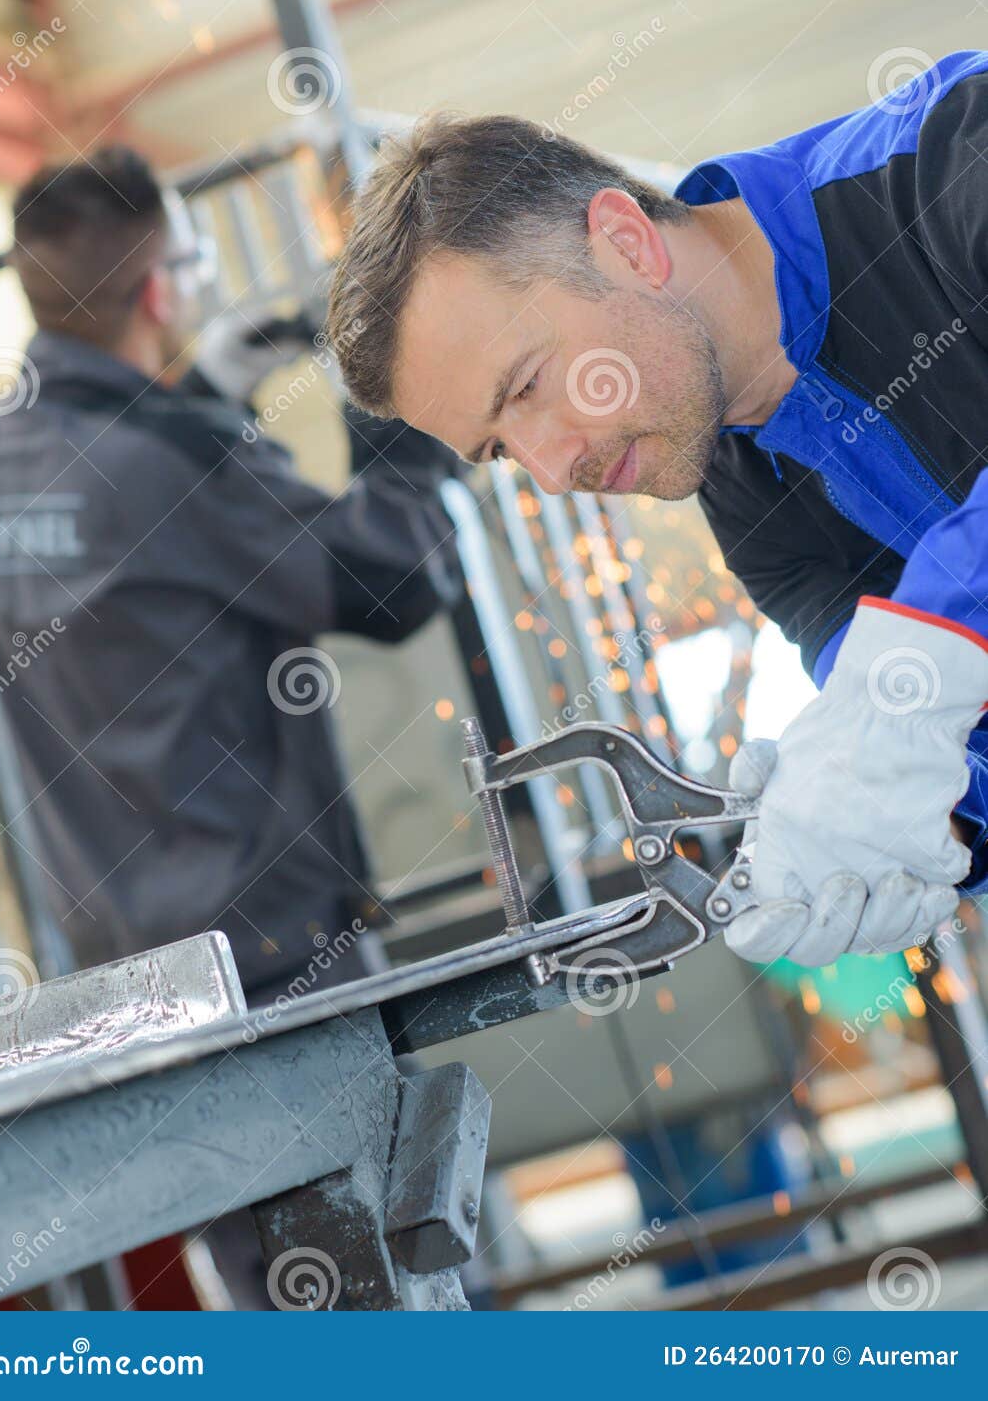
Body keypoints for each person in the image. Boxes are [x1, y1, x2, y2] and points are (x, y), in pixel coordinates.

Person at [325, 49, 988, 969]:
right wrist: (920, 829)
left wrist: (928, 644)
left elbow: (918, 679)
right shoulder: (746, 496)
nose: (551, 471)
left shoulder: (952, 156)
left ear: (627, 243)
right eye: (500, 450)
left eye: (527, 386)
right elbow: (946, 740)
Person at [0, 146, 461, 1303]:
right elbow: (394, 577)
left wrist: (204, 403)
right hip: (274, 958)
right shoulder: (178, 459)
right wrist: (394, 398)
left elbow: (151, 559)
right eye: (193, 257)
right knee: (385, 1282)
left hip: (125, 977)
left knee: (276, 1288)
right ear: (158, 289)